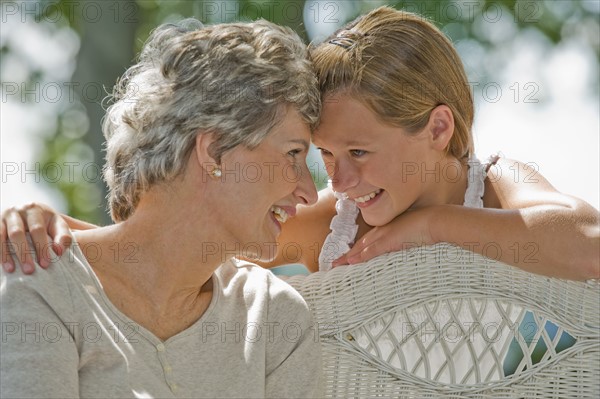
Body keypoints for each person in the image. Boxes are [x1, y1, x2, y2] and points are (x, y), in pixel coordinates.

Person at [3, 7, 599, 280]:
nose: (336, 182)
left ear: (438, 130)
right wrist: (52, 221)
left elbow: (589, 244)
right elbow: (176, 245)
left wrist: (428, 226)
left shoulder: (493, 186)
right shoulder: (333, 226)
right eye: (325, 155)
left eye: (359, 153)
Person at [1, 18, 323, 398]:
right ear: (214, 150)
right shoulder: (44, 284)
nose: (308, 191)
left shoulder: (273, 317)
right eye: (292, 154)